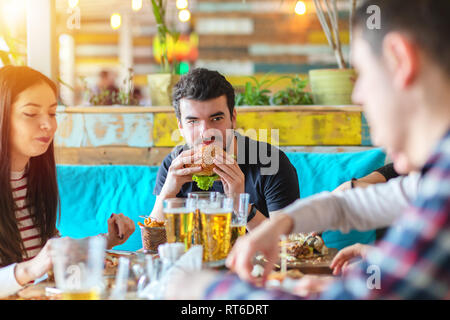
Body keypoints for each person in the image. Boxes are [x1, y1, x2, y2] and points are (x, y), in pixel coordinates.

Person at [167, 0, 450, 299]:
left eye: (363, 73)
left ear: (399, 60)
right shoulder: (434, 180)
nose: (357, 95)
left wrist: (201, 289)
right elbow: (344, 207)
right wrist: (279, 226)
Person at [0, 66, 136, 298]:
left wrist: (105, 241)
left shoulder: (35, 178)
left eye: (52, 113)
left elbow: (50, 254)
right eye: (31, 114)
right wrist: (29, 269)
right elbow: (37, 265)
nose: (48, 125)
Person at [150, 68, 300, 230]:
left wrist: (240, 205)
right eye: (193, 121)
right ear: (180, 127)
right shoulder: (175, 165)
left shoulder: (271, 162)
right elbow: (151, 246)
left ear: (233, 118)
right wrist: (166, 194)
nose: (206, 133)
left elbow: (288, 245)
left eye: (216, 118)